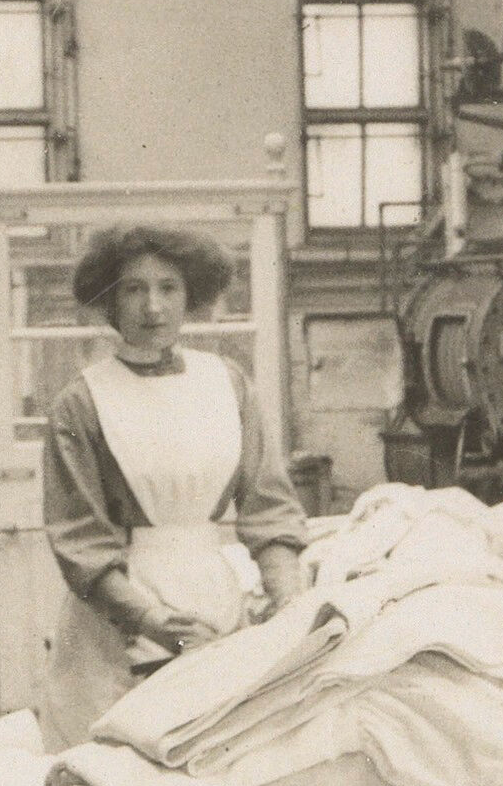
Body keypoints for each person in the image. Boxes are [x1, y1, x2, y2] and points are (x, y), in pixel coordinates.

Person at [43, 224, 309, 697]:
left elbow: (268, 506)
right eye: (134, 290)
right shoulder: (81, 402)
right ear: (109, 300)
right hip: (119, 621)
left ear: (190, 296)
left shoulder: (228, 384)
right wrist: (153, 621)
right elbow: (80, 540)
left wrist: (288, 595)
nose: (153, 307)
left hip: (216, 607)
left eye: (168, 288)